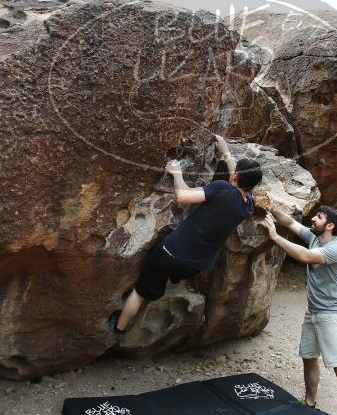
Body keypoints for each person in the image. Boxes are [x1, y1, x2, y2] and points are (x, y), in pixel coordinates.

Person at [108, 135, 263, 340]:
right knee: (172, 273)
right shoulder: (247, 205)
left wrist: (177, 174)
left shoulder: (222, 188)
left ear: (234, 177)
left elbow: (183, 197)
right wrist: (226, 152)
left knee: (139, 292)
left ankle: (118, 329)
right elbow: (239, 178)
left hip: (169, 254)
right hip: (195, 264)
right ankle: (170, 282)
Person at [263, 203, 337, 415]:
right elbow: (290, 222)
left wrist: (275, 236)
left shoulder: (336, 250)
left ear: (329, 226)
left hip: (332, 315)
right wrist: (272, 207)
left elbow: (303, 256)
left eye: (318, 217)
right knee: (308, 357)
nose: (313, 219)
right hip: (314, 313)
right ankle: (309, 401)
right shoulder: (314, 237)